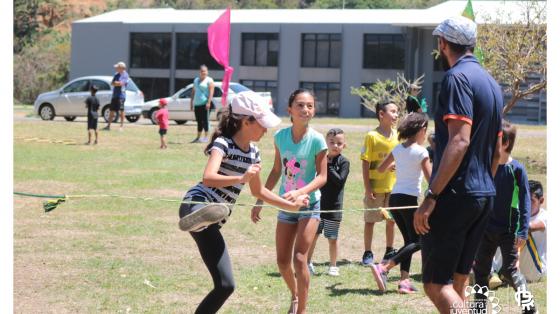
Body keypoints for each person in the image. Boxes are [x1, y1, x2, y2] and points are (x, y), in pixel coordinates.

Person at [178, 91, 309, 314]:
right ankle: (196, 215)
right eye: (261, 124)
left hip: (213, 223)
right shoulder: (223, 143)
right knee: (201, 207)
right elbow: (208, 177)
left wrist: (292, 206)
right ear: (246, 122)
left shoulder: (254, 153)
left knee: (226, 285)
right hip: (197, 200)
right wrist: (240, 178)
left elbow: (258, 191)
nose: (266, 130)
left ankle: (204, 219)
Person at [413, 16, 503, 313]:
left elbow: (459, 141)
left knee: (437, 284)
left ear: (442, 43)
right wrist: (482, 187)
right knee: (459, 280)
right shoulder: (491, 84)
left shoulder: (456, 78)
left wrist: (432, 196)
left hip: (456, 195)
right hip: (484, 194)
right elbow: (497, 152)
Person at [251, 89, 327, 314]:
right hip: (285, 206)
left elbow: (323, 177)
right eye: (301, 105)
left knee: (299, 258)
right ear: (290, 110)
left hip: (309, 205)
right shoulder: (280, 137)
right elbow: (276, 170)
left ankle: (301, 310)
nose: (306, 109)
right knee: (282, 262)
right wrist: (260, 199)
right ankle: (295, 295)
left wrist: (300, 192)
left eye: (310, 106)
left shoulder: (317, 139)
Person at [472, 120, 537, 314]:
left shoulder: (516, 169)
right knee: (481, 272)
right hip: (485, 229)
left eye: (494, 138)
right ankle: (479, 309)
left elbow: (525, 202)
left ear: (505, 143)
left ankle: (529, 308)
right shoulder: (485, 165)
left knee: (509, 272)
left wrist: (523, 230)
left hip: (508, 231)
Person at [371, 113, 431, 294]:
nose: (426, 134)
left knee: (409, 241)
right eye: (426, 130)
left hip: (395, 199)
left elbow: (381, 169)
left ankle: (404, 281)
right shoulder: (421, 152)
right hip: (409, 200)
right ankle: (384, 267)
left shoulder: (398, 149)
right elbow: (432, 179)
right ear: (421, 130)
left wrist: (395, 166)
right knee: (420, 240)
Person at [360, 101, 399, 266]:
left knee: (391, 220)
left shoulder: (398, 135)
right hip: (375, 188)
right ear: (381, 114)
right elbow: (365, 162)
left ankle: (389, 250)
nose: (396, 115)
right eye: (393, 111)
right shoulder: (371, 136)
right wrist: (368, 187)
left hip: (394, 187)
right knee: (370, 220)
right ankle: (367, 252)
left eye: (397, 112)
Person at [307, 128, 350, 277]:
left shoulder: (344, 162)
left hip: (334, 207)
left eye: (339, 143)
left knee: (332, 238)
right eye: (332, 142)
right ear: (326, 143)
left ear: (344, 145)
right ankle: (308, 263)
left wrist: (328, 166)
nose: (335, 145)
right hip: (318, 205)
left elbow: (339, 181)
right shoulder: (319, 158)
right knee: (313, 236)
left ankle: (333, 266)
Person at [490, 180, 547, 287]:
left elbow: (529, 227)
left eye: (531, 200)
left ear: (541, 200)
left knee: (522, 231)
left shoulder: (546, 216)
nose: (526, 204)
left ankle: (500, 271)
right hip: (518, 266)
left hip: (535, 270)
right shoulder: (517, 214)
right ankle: (495, 271)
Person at [190, 65, 215, 143]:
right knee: (199, 121)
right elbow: (193, 92)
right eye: (202, 71)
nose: (203, 72)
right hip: (197, 104)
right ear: (199, 72)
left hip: (205, 104)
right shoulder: (196, 80)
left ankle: (206, 137)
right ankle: (198, 137)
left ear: (207, 72)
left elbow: (211, 92)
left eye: (205, 71)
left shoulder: (209, 80)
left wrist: (208, 102)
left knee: (205, 121)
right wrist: (191, 102)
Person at [104, 61, 128, 131]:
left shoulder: (125, 75)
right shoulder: (116, 74)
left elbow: (121, 83)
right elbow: (112, 83)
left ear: (122, 68)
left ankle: (121, 127)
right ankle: (108, 126)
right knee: (111, 111)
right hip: (115, 95)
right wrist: (116, 83)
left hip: (121, 96)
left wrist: (117, 83)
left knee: (121, 111)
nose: (116, 68)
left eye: (117, 67)